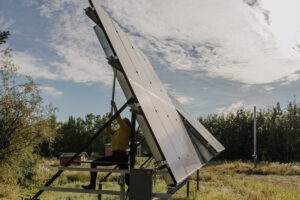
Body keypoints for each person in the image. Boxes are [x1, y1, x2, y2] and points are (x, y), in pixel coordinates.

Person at [82, 101, 131, 189]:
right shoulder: (117, 132)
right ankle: (92, 185)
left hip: (121, 155)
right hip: (116, 155)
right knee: (94, 163)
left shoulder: (126, 129)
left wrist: (115, 106)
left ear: (126, 123)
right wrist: (109, 120)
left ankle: (136, 191)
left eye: (124, 121)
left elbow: (118, 119)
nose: (121, 122)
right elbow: (108, 130)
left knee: (127, 179)